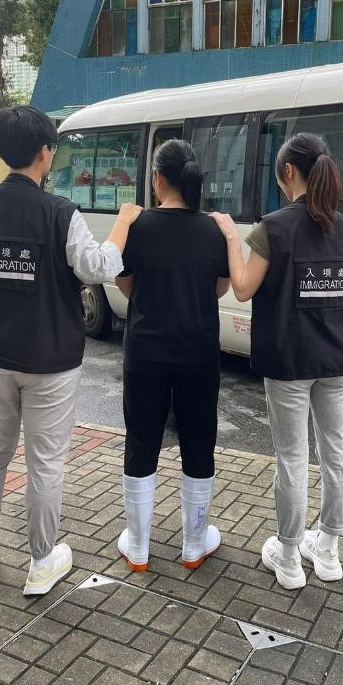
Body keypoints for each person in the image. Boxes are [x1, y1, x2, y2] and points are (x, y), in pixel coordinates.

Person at [0, 105, 141, 596]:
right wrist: (123, 222)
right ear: (45, 153)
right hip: (49, 361)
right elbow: (97, 267)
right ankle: (41, 562)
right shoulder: (60, 213)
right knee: (44, 462)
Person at [211, 132, 343, 590]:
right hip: (338, 360)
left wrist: (230, 237)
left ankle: (290, 557)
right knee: (336, 450)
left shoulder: (272, 228)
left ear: (288, 172)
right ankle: (329, 550)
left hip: (289, 362)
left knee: (292, 458)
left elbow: (242, 288)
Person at [115, 139, 230, 572]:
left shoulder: (137, 226)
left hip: (146, 351)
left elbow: (125, 284)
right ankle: (194, 545)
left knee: (141, 440)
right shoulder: (213, 229)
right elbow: (220, 288)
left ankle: (138, 548)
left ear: (158, 179)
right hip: (198, 352)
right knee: (199, 441)